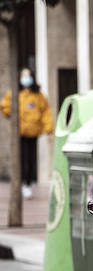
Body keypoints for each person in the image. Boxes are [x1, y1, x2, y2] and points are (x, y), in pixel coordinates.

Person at [2, 67, 53, 200]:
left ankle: (27, 184)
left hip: (33, 133)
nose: (26, 78)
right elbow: (4, 106)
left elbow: (46, 112)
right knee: (20, 159)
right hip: (18, 133)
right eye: (23, 75)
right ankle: (20, 183)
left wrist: (49, 130)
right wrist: (12, 113)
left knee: (30, 159)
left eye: (28, 75)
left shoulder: (38, 95)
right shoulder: (14, 93)